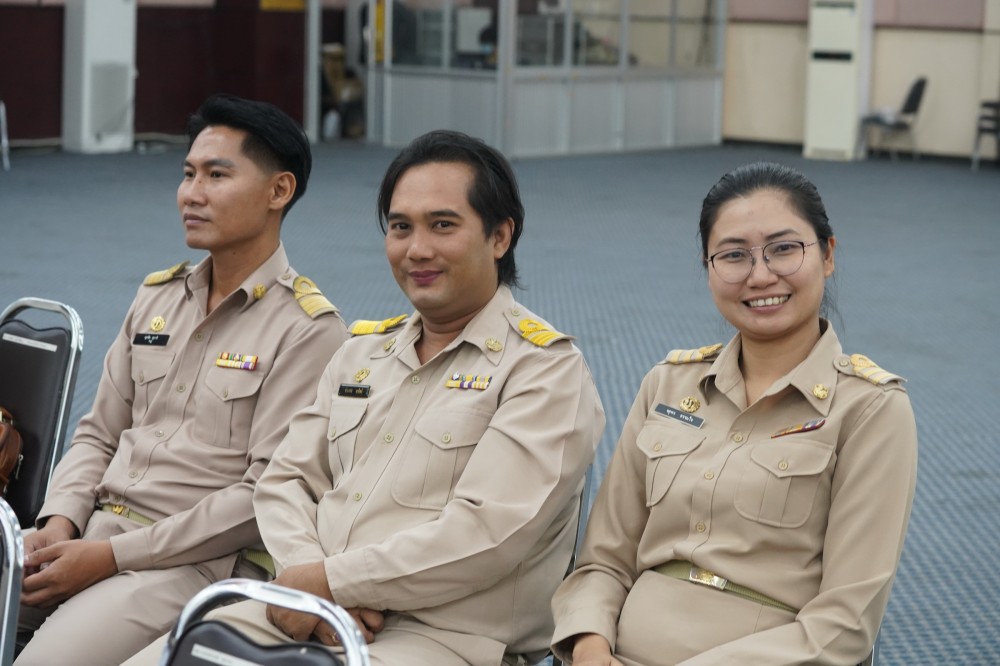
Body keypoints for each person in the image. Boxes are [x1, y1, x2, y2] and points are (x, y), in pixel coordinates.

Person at [125, 129, 605, 666]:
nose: (416, 249)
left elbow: (487, 534)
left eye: (442, 225)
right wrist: (308, 582)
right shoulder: (362, 353)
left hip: (442, 638)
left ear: (500, 237)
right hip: (304, 606)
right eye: (400, 227)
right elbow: (285, 480)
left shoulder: (544, 371)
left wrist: (332, 582)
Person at [15, 94, 348, 665]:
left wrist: (111, 556)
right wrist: (59, 520)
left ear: (279, 191)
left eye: (217, 175)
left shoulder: (307, 330)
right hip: (91, 532)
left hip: (190, 564)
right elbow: (98, 433)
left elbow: (260, 497)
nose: (192, 193)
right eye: (188, 174)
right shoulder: (157, 297)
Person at [550, 162, 918, 665]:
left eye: (784, 249)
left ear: (828, 254)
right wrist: (591, 648)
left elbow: (844, 623)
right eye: (733, 255)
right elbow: (602, 562)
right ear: (708, 268)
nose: (760, 275)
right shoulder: (669, 383)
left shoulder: (870, 409)